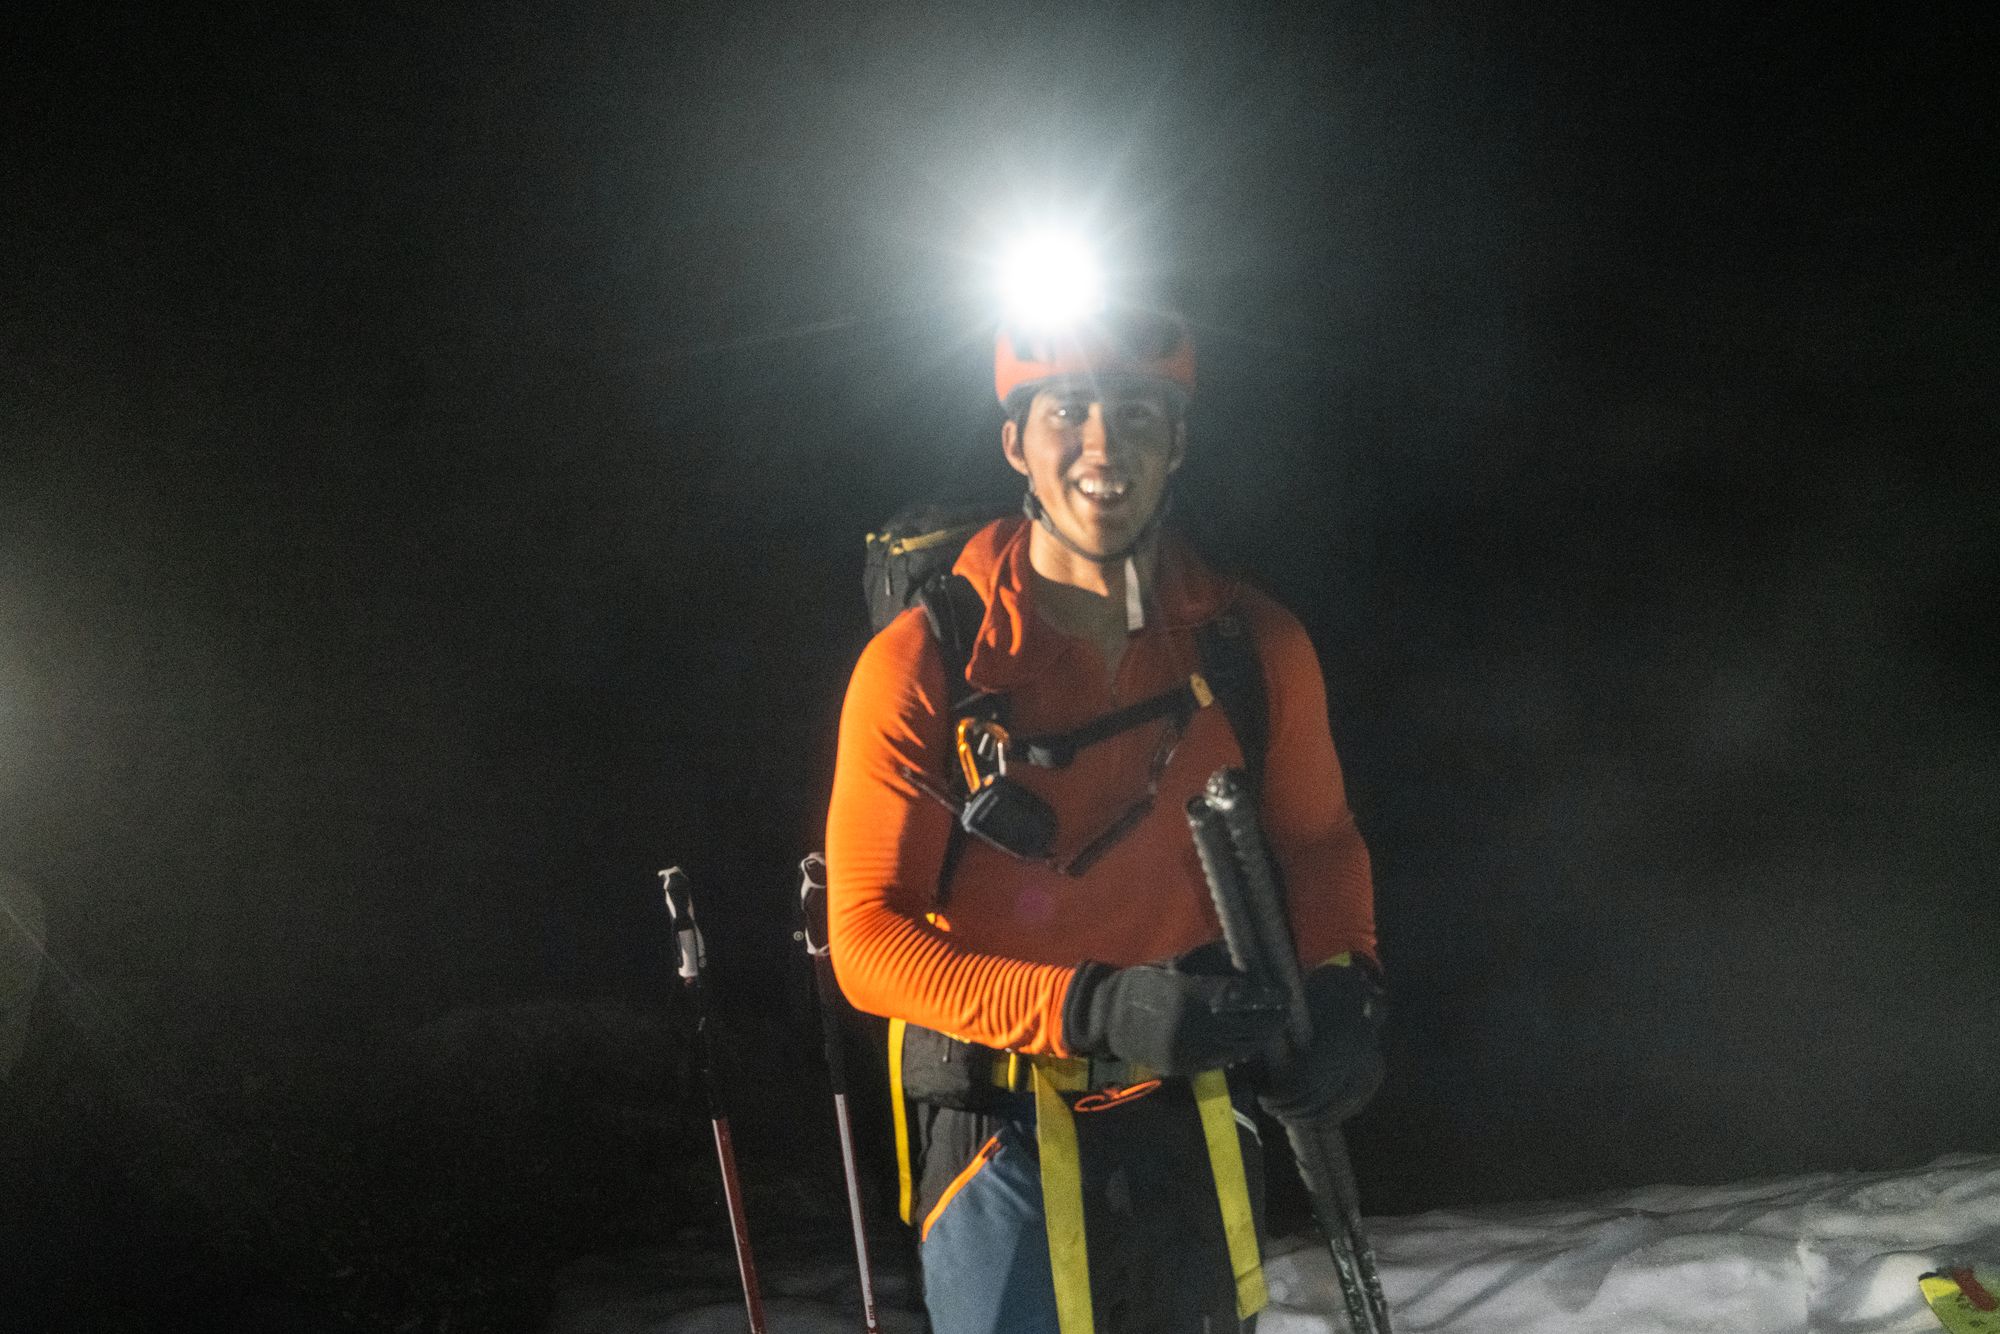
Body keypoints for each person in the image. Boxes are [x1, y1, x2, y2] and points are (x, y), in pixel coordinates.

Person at [825, 302, 1383, 1333]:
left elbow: (1315, 841)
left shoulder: (1248, 645)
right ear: (1016, 444)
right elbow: (865, 936)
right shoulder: (923, 662)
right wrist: (1090, 1006)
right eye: (1067, 411)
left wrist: (1342, 977)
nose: (1101, 443)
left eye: (1135, 413)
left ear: (1177, 441)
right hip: (997, 1126)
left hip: (1197, 1109)